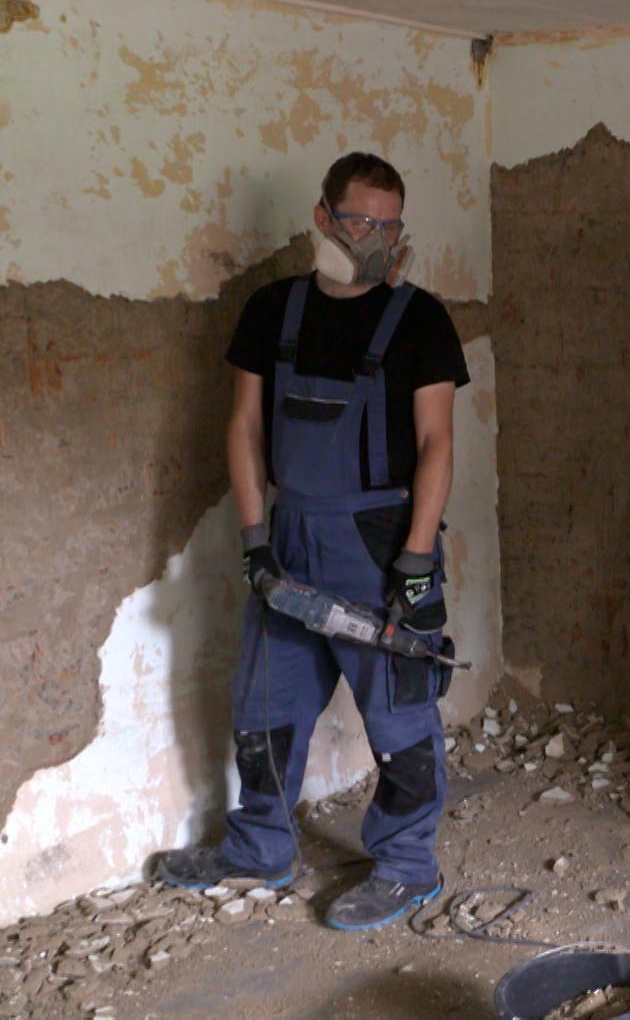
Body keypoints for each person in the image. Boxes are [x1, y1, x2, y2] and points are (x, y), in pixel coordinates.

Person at [155, 152, 470, 932]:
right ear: (324, 218)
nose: (375, 237)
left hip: (378, 538)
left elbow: (437, 445)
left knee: (399, 715)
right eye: (361, 220)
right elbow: (243, 426)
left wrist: (419, 563)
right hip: (291, 533)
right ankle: (260, 845)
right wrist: (256, 538)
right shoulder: (273, 311)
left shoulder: (420, 318)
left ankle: (405, 867)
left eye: (389, 223)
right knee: (263, 705)